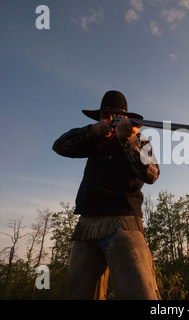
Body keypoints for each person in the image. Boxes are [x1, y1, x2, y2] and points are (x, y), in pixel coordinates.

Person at [52, 90, 161, 300]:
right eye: (105, 116)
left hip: (123, 223)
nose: (109, 120)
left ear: (125, 119)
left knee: (140, 293)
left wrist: (128, 142)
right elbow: (59, 146)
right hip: (86, 226)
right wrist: (92, 131)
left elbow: (152, 174)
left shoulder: (139, 140)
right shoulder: (94, 138)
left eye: (115, 116)